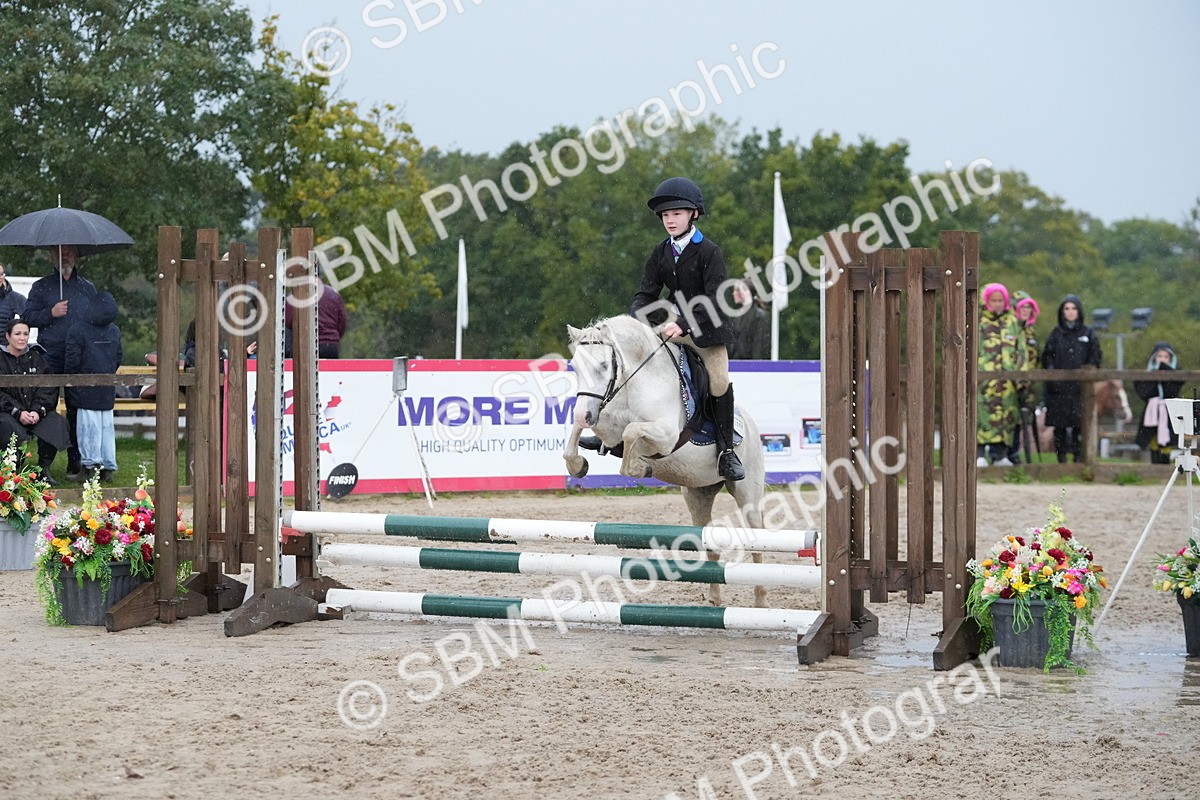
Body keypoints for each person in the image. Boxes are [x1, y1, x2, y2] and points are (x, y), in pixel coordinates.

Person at [628, 177, 742, 480]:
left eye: (676, 214)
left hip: (707, 330)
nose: (669, 220)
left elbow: (715, 299)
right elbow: (645, 294)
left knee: (718, 380)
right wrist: (635, 320)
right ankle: (614, 436)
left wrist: (682, 324)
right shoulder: (660, 252)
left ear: (693, 214)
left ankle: (727, 451)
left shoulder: (709, 251)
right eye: (665, 215)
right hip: (671, 327)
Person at [21, 245, 97, 476]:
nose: (65, 257)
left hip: (79, 357)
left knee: (78, 410)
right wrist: (50, 313)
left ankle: (77, 461)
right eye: (60, 253)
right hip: (50, 356)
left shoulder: (87, 288)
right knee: (46, 409)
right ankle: (44, 464)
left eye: (69, 253)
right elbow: (27, 317)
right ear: (51, 256)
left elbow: (97, 320)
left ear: (76, 256)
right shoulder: (41, 286)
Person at [0, 317, 69, 485]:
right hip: (8, 412)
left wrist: (38, 411)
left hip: (34, 411)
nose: (22, 338)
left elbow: (48, 389)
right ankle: (12, 470)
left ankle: (43, 469)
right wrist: (17, 411)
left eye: (25, 334)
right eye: (17, 334)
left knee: (56, 422)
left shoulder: (38, 358)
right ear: (8, 336)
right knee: (7, 426)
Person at [64, 292, 122, 482]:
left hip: (84, 387)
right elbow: (118, 358)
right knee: (106, 429)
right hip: (107, 386)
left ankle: (89, 468)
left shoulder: (78, 329)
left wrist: (70, 381)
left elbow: (72, 361)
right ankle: (107, 469)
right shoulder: (114, 330)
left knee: (87, 429)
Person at [1041, 294, 1102, 463]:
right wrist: (1054, 376)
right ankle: (1061, 460)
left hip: (1080, 390)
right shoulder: (1056, 334)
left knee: (1079, 426)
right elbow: (1047, 357)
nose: (1070, 312)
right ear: (1062, 312)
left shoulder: (1088, 333)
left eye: (1074, 308)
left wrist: (1086, 372)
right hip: (1058, 390)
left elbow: (1095, 357)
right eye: (1067, 308)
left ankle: (1078, 460)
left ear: (1079, 311)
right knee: (1059, 427)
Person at [976, 283, 1025, 467]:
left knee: (1007, 418)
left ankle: (1001, 455)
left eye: (1000, 300)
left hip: (1008, 383)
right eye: (993, 300)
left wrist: (1021, 379)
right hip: (983, 382)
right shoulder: (979, 322)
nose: (997, 304)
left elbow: (1021, 352)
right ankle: (979, 453)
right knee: (981, 416)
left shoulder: (1013, 323)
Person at [1134, 342, 1184, 464]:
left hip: (1169, 411)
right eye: (1160, 356)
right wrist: (1156, 376)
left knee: (1166, 438)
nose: (1162, 359)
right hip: (1152, 412)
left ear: (1171, 358)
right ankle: (1155, 465)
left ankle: (1165, 466)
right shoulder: (1147, 375)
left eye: (1166, 357)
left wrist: (1165, 372)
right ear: (1154, 358)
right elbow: (1145, 393)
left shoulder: (1176, 376)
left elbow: (1172, 392)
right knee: (1153, 437)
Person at [1007, 290, 1040, 463]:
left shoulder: (1031, 332)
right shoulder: (1010, 329)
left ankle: (1017, 454)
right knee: (1009, 418)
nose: (1026, 310)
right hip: (1010, 383)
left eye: (1029, 307)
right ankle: (1007, 453)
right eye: (1022, 307)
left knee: (1022, 420)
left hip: (1028, 384)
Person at [284, 279, 349, 359]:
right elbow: (342, 322)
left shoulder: (296, 295)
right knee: (329, 367)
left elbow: (287, 322)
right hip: (330, 345)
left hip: (306, 346)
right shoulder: (333, 293)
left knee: (306, 367)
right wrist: (332, 337)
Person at [726, 279, 769, 359]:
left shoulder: (759, 316)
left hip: (750, 364)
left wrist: (755, 365)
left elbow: (759, 346)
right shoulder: (739, 315)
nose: (734, 293)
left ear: (747, 292)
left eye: (737, 290)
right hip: (737, 363)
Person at [0, 262, 26, 333]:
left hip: (4, 339)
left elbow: (30, 317)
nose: (0, 277)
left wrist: (16, 333)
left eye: (1, 274)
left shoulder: (14, 298)